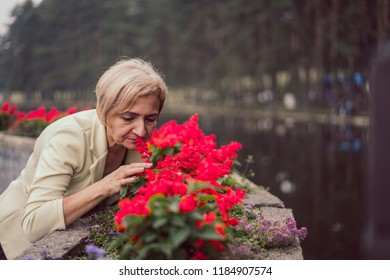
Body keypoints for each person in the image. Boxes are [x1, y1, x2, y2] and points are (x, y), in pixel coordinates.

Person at [0, 58, 168, 260]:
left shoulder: (132, 144)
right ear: (104, 113)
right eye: (128, 118)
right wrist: (105, 186)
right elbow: (34, 224)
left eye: (150, 119)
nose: (141, 130)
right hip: (10, 243)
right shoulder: (69, 137)